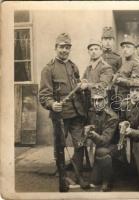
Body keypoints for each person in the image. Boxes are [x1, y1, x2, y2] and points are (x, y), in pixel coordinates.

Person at [38, 33, 88, 191]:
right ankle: (63, 179)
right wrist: (52, 104)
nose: (64, 50)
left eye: (67, 47)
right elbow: (44, 95)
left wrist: (82, 86)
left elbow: (77, 88)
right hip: (60, 116)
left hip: (77, 114)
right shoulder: (48, 69)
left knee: (80, 145)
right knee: (60, 146)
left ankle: (78, 176)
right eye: (61, 47)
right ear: (55, 48)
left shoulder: (74, 66)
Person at [84, 85, 119, 191]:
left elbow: (105, 141)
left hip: (113, 147)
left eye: (99, 100)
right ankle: (106, 173)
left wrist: (92, 134)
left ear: (106, 100)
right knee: (94, 180)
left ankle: (107, 182)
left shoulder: (112, 117)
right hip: (98, 148)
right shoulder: (91, 112)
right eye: (94, 100)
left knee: (102, 151)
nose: (96, 104)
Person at [111, 35, 139, 112]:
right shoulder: (123, 62)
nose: (125, 49)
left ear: (134, 49)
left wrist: (121, 80)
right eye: (123, 47)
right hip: (120, 98)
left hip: (130, 100)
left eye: (128, 47)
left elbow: (137, 83)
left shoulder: (137, 64)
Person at [81, 39, 114, 111]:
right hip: (88, 101)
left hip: (100, 102)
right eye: (91, 49)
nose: (93, 51)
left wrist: (87, 85)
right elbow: (83, 79)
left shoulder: (105, 67)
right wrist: (83, 82)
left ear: (101, 51)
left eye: (96, 49)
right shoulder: (89, 67)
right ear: (88, 52)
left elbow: (103, 85)